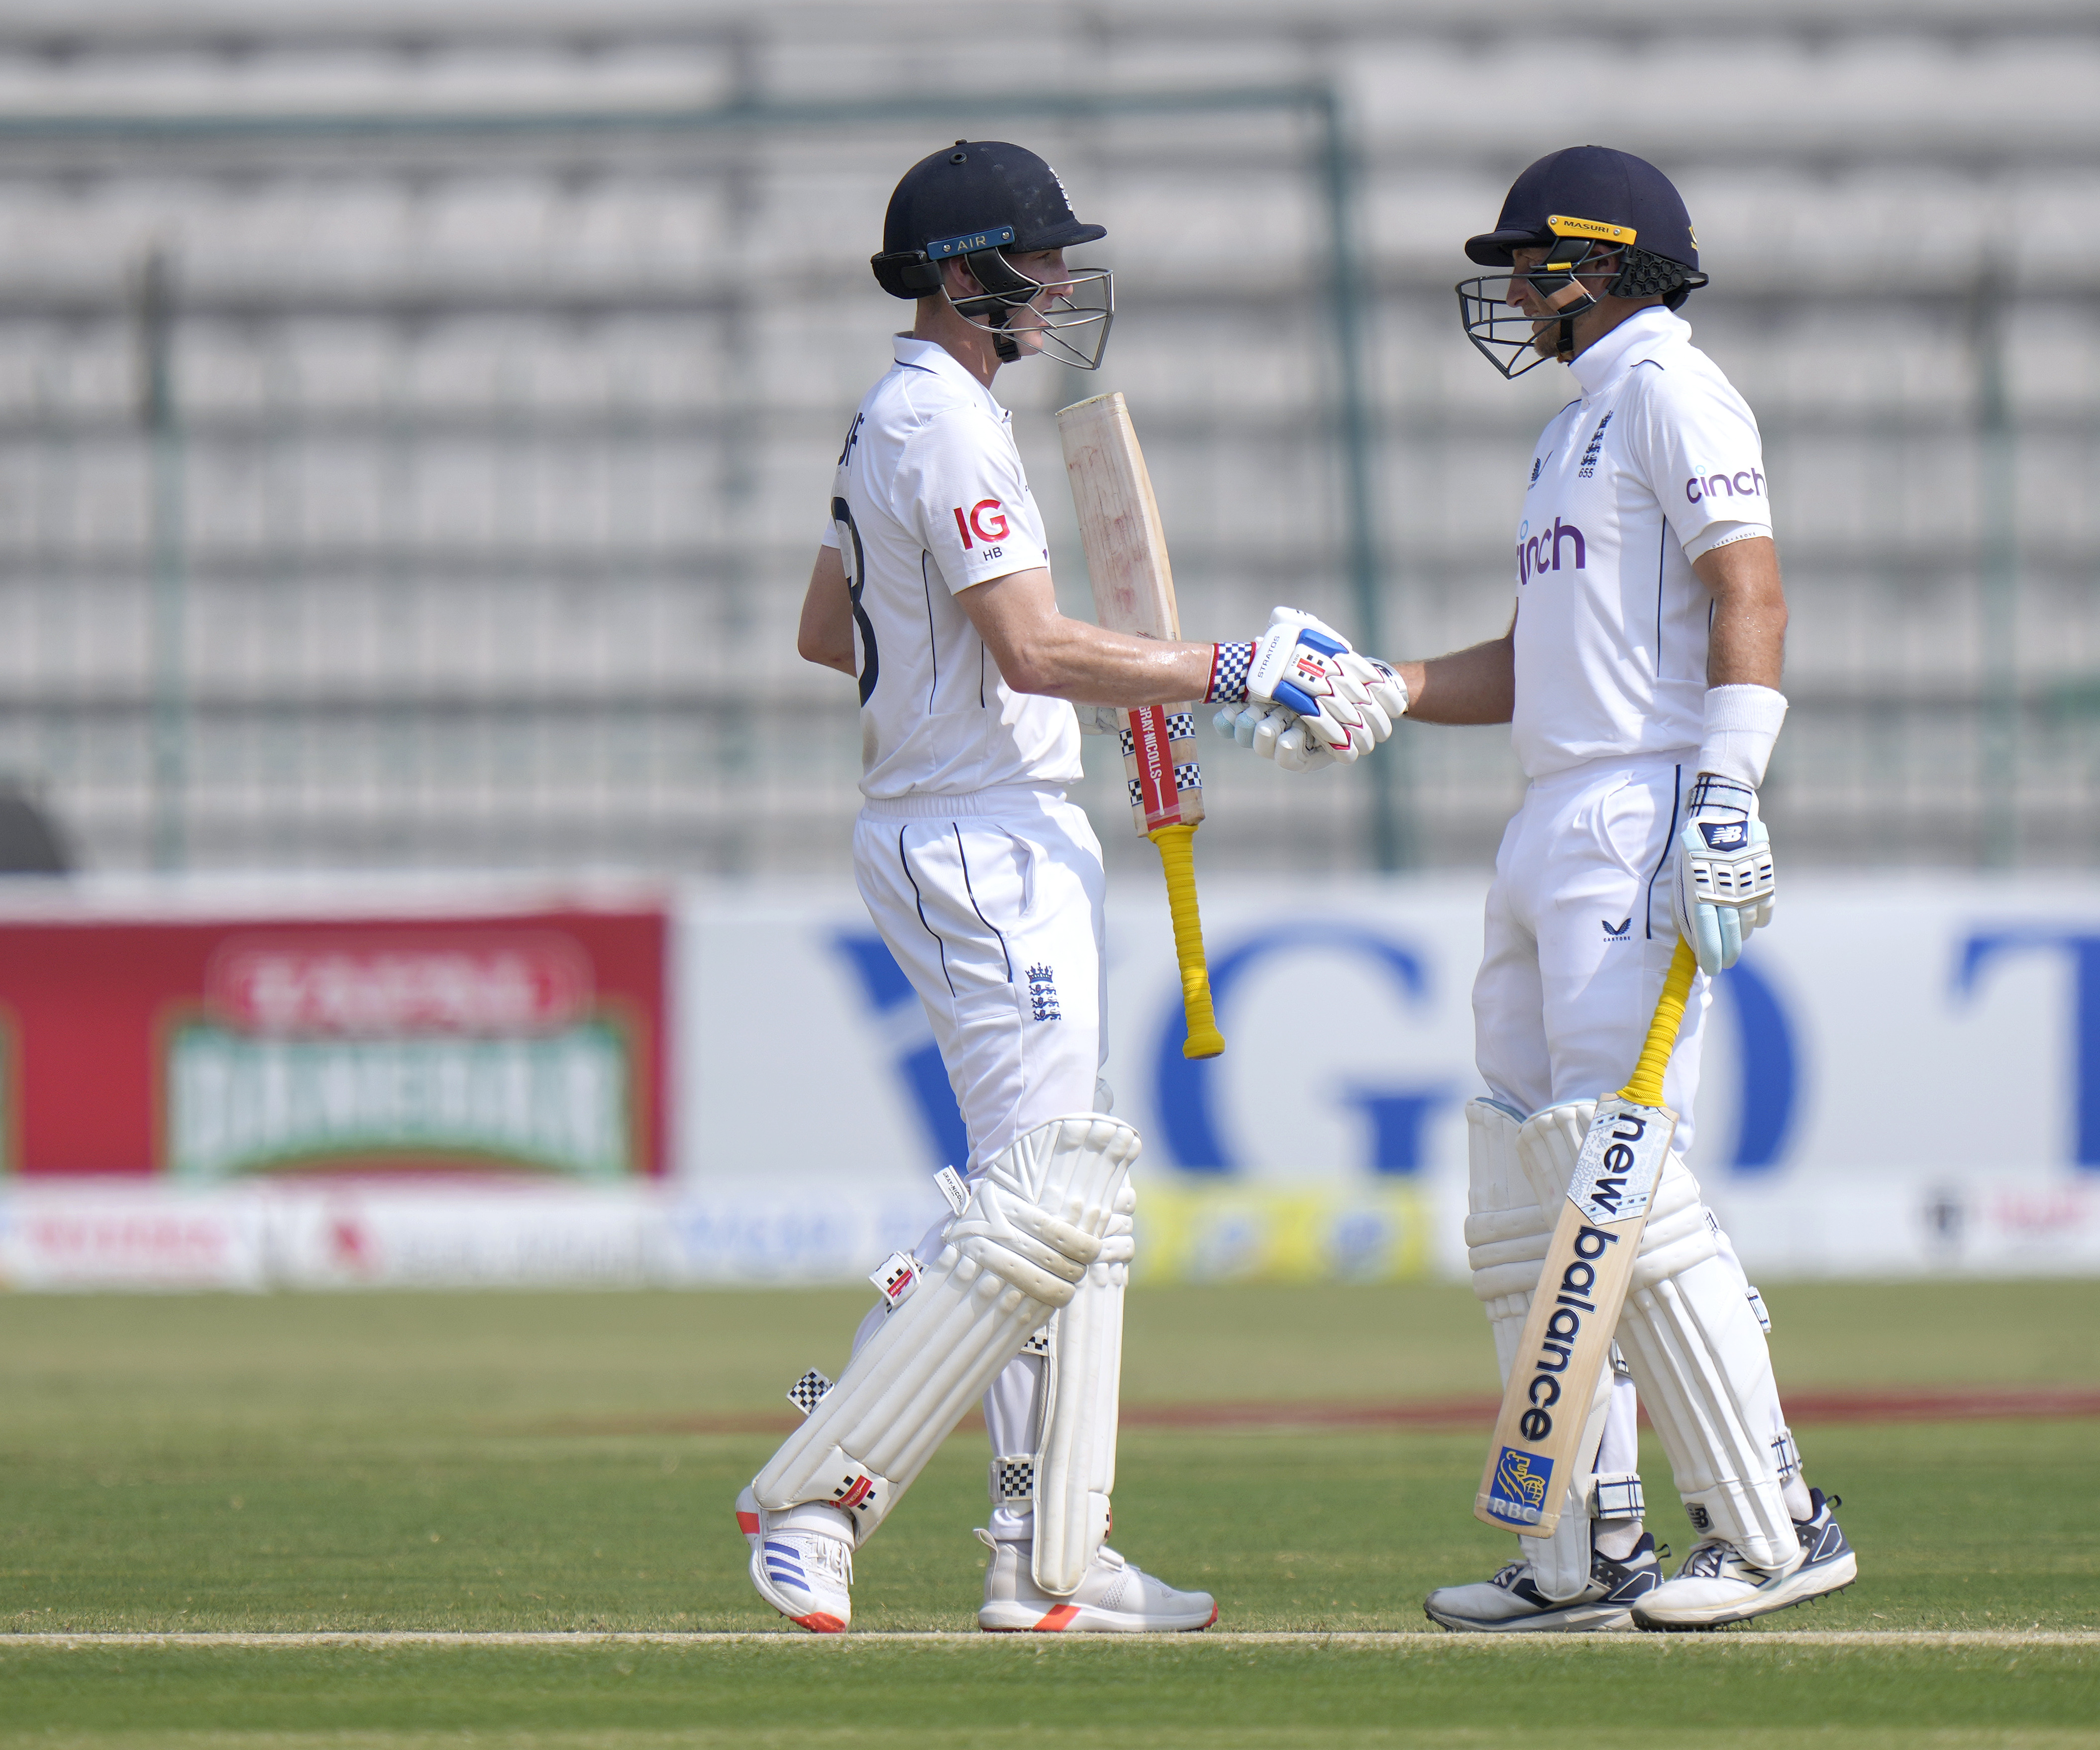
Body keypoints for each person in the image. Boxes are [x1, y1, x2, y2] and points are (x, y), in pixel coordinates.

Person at [735, 139, 1405, 1636]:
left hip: (961, 819)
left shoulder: (893, 420)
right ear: (967, 274)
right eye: (1035, 262)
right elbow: (1033, 647)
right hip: (980, 838)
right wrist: (1222, 666)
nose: (1056, 284)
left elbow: (821, 630)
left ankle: (1049, 1554)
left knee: (1064, 1207)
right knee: (1038, 1210)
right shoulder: (950, 429)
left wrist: (1121, 693)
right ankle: (818, 1493)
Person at [1222, 144, 1856, 1632]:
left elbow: (1747, 590)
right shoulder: (1571, 430)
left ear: (1611, 265)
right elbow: (1534, 665)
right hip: (1550, 815)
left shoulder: (1671, 388)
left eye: (1532, 265)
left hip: (1640, 808)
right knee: (1523, 1188)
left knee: (1616, 1175)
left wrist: (1725, 791)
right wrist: (1381, 689)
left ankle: (1775, 1525)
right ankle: (1583, 1550)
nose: (1510, 291)